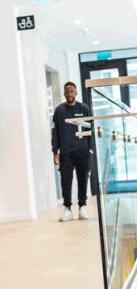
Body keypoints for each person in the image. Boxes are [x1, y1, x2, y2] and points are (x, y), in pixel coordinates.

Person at [52, 82, 91, 221]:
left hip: (82, 150)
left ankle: (82, 207)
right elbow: (55, 132)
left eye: (72, 91)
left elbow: (89, 130)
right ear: (64, 94)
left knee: (82, 179)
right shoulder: (59, 111)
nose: (69, 94)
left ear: (76, 93)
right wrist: (55, 152)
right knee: (66, 181)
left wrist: (90, 149)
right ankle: (67, 208)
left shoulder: (84, 108)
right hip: (65, 152)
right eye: (67, 92)